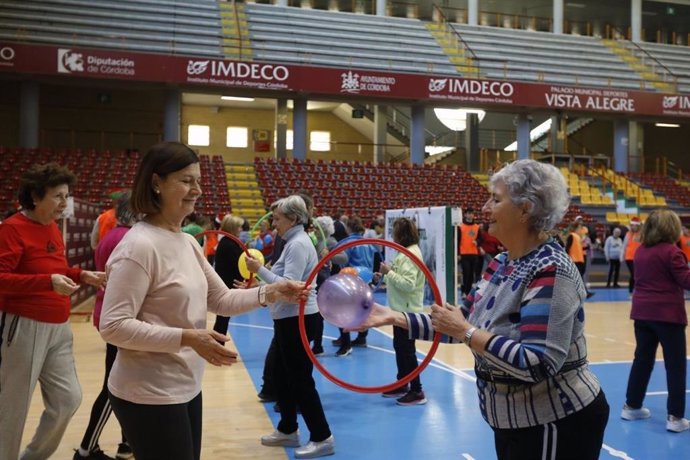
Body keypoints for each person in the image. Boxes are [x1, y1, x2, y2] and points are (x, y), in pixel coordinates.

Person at [358, 159, 609, 460]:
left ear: (526, 209)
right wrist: (392, 317)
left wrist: (466, 332)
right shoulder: (502, 262)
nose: (485, 208)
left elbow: (537, 362)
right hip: (513, 418)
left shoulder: (551, 270)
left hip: (555, 420)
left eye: (496, 199)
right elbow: (458, 323)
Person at [98, 142, 308, 460]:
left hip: (186, 384)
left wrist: (274, 291)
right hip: (148, 392)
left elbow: (220, 298)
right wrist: (187, 337)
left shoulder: (187, 242)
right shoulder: (139, 246)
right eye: (186, 180)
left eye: (198, 180)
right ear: (156, 183)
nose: (196, 189)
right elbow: (113, 326)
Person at [0, 163, 107, 460]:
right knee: (13, 407)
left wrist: (81, 275)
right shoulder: (12, 229)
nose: (65, 203)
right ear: (35, 196)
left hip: (59, 327)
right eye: (59, 196)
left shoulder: (51, 227)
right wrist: (47, 282)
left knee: (68, 399)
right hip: (23, 327)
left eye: (67, 196)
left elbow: (56, 270)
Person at [246, 195, 335, 459]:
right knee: (282, 375)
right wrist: (256, 287)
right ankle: (288, 428)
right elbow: (281, 283)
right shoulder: (292, 242)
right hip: (286, 318)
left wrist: (259, 270)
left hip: (298, 318)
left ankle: (322, 436)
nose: (274, 223)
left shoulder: (297, 244)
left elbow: (288, 286)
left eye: (278, 218)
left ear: (293, 219)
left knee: (300, 379)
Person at [74, 192, 137, 460]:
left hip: (111, 312)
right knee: (114, 386)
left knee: (127, 383)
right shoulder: (126, 239)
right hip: (119, 317)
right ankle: (87, 449)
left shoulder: (111, 235)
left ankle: (127, 444)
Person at [621, 209, 690, 433]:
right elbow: (686, 280)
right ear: (671, 229)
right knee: (675, 365)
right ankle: (675, 417)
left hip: (642, 314)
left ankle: (631, 405)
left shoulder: (640, 251)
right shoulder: (672, 252)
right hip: (668, 316)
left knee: (642, 359)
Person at [375, 217, 426, 406]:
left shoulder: (409, 255)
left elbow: (408, 284)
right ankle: (403, 383)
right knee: (401, 348)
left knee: (407, 351)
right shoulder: (405, 253)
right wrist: (385, 276)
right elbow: (399, 280)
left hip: (408, 312)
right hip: (400, 310)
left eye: (395, 231)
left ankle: (417, 390)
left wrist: (390, 273)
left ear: (401, 234)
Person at [332, 215, 375, 356]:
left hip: (352, 281)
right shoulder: (368, 243)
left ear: (348, 227)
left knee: (342, 310)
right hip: (367, 280)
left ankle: (346, 343)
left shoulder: (348, 243)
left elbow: (343, 260)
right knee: (363, 310)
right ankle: (361, 338)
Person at [211, 214, 246, 345]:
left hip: (226, 283)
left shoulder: (228, 242)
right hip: (226, 284)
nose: (241, 230)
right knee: (223, 317)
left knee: (223, 317)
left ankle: (218, 344)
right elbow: (239, 264)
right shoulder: (229, 244)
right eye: (239, 227)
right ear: (233, 228)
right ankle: (218, 344)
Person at [566, 220, 595, 298]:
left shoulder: (577, 237)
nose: (581, 230)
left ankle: (584, 293)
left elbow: (579, 249)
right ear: (575, 228)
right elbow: (567, 248)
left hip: (579, 260)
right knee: (577, 279)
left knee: (580, 279)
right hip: (574, 261)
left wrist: (586, 247)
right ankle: (582, 293)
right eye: (579, 228)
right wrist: (567, 260)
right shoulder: (571, 236)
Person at [458, 207, 483, 297]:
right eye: (468, 213)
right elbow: (457, 240)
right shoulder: (461, 226)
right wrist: (458, 254)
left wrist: (477, 242)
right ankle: (463, 291)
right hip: (464, 253)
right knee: (466, 273)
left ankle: (467, 292)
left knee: (471, 274)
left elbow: (481, 239)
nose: (470, 215)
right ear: (465, 215)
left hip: (474, 253)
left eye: (471, 213)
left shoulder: (477, 227)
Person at [621, 217, 642, 293]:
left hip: (639, 257)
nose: (632, 227)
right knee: (634, 273)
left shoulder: (641, 234)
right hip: (629, 257)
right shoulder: (628, 234)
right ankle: (631, 291)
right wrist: (621, 256)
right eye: (631, 225)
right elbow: (624, 245)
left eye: (634, 225)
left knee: (637, 274)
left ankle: (637, 290)